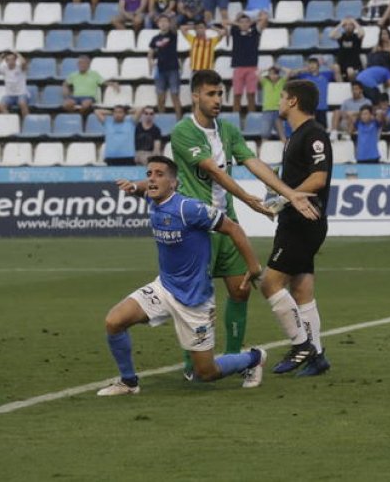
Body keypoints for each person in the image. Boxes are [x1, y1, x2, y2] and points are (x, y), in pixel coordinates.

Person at [166, 69, 320, 378]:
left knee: (240, 291)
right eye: (211, 94)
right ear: (195, 96)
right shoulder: (183, 131)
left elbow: (253, 162)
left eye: (220, 94)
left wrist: (288, 193)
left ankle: (235, 359)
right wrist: (251, 200)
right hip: (196, 227)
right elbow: (215, 172)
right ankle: (191, 364)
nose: (217, 100)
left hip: (227, 224)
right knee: (194, 299)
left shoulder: (229, 130)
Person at [98, 156, 268, 396]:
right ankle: (128, 382)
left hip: (194, 300)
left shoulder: (189, 208)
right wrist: (135, 187)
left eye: (159, 174)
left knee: (206, 373)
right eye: (149, 174)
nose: (152, 179)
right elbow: (146, 190)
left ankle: (254, 358)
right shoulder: (154, 198)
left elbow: (233, 228)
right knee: (114, 321)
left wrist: (253, 266)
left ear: (174, 183)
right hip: (164, 288)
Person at [228, 12, 265, 116]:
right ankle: (235, 120)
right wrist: (239, 22)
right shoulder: (235, 31)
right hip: (238, 67)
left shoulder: (254, 32)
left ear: (250, 23)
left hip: (252, 68)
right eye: (241, 22)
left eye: (246, 22)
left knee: (251, 95)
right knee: (237, 95)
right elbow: (225, 22)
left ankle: (252, 119)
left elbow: (264, 19)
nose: (244, 24)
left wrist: (252, 22)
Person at [147, 15, 183, 120]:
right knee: (160, 98)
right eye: (161, 21)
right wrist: (150, 62)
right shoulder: (155, 38)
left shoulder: (173, 34)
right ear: (158, 24)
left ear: (169, 23)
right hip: (160, 70)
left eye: (165, 21)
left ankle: (179, 122)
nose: (163, 23)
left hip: (173, 69)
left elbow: (175, 25)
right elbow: (150, 53)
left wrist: (171, 17)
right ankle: (162, 119)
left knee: (174, 96)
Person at [293, 57, 336, 126]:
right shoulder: (304, 76)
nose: (312, 66)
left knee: (321, 130)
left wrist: (325, 64)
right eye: (310, 64)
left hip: (322, 107)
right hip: (309, 107)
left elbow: (336, 70)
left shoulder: (325, 75)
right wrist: (304, 69)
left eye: (314, 64)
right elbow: (292, 73)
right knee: (309, 129)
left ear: (318, 65)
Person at [331, 17, 365, 82]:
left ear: (354, 27)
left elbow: (362, 33)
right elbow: (331, 35)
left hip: (354, 64)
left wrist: (355, 22)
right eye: (346, 25)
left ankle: (352, 87)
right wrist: (341, 24)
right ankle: (341, 86)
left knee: (350, 71)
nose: (348, 27)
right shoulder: (341, 36)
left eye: (350, 25)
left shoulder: (356, 37)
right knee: (335, 67)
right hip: (342, 63)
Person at [0, 51, 30, 119]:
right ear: (6, 61)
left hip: (22, 94)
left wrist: (17, 54)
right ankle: (11, 121)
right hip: (9, 95)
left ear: (15, 60)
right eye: (8, 59)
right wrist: (0, 58)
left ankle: (27, 122)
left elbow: (24, 63)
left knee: (22, 103)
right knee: (1, 106)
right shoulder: (3, 68)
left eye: (12, 59)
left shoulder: (20, 67)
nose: (10, 61)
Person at [259, 66, 287, 140]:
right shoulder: (265, 82)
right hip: (267, 110)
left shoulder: (282, 82)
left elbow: (289, 72)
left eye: (275, 74)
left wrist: (280, 68)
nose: (273, 76)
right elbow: (257, 73)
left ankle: (286, 150)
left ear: (278, 75)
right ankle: (262, 151)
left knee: (282, 135)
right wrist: (267, 68)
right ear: (268, 75)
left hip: (278, 110)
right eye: (271, 74)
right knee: (265, 134)